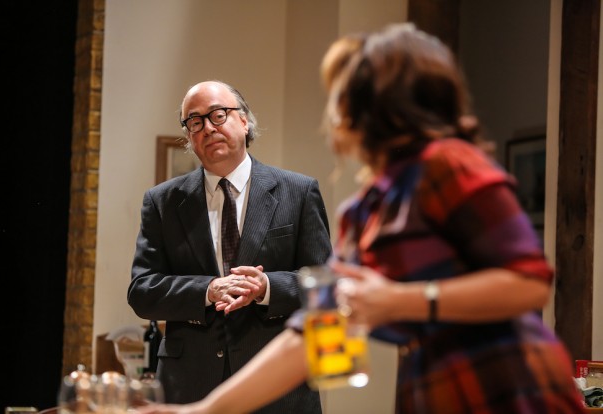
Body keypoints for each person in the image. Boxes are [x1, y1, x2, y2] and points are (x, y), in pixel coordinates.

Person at [137, 23, 586, 414]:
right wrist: (203, 410)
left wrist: (399, 302)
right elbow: (321, 323)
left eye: (346, 93)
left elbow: (529, 283)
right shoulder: (366, 207)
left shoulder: (450, 164)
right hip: (432, 388)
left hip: (508, 387)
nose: (336, 110)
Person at [128, 80, 332, 413]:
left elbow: (326, 285)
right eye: (195, 121)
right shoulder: (162, 202)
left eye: (218, 115)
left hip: (278, 385)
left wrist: (266, 287)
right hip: (190, 385)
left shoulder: (298, 191)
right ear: (189, 136)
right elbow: (142, 291)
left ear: (244, 120)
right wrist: (208, 289)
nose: (207, 127)